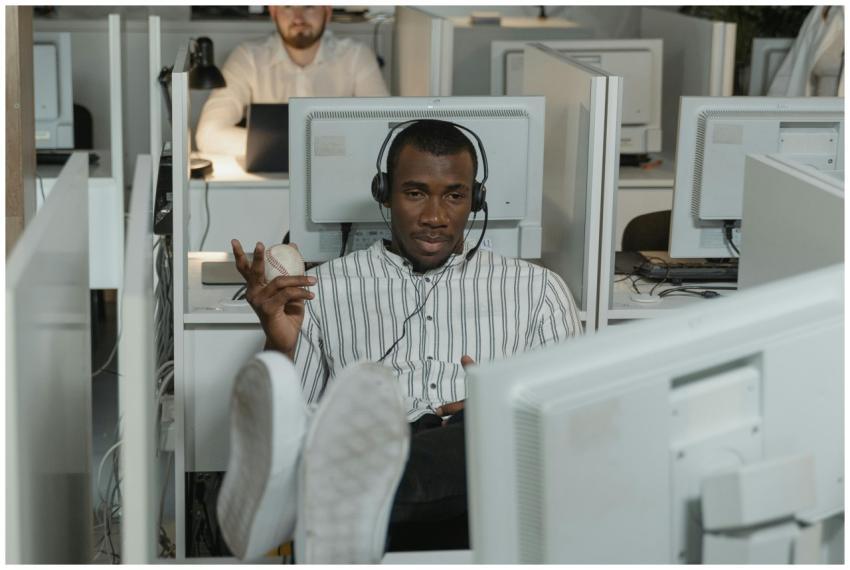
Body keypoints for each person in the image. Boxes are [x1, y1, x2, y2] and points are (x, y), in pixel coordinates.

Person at [218, 120, 583, 562]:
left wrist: (500, 408)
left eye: (454, 195)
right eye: (415, 193)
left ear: (476, 199)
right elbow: (300, 420)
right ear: (384, 194)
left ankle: (328, 496)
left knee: (481, 436)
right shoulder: (323, 289)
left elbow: (574, 428)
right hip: (377, 448)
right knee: (353, 440)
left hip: (482, 467)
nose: (435, 216)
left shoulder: (538, 290)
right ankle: (355, 485)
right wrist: (280, 342)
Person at [196, 5, 389, 155]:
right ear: (273, 11)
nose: (298, 17)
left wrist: (272, 145)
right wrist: (295, 148)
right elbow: (208, 134)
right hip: (269, 185)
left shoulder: (356, 56)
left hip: (339, 177)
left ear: (327, 11)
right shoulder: (248, 57)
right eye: (288, 5)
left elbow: (384, 129)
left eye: (309, 5)